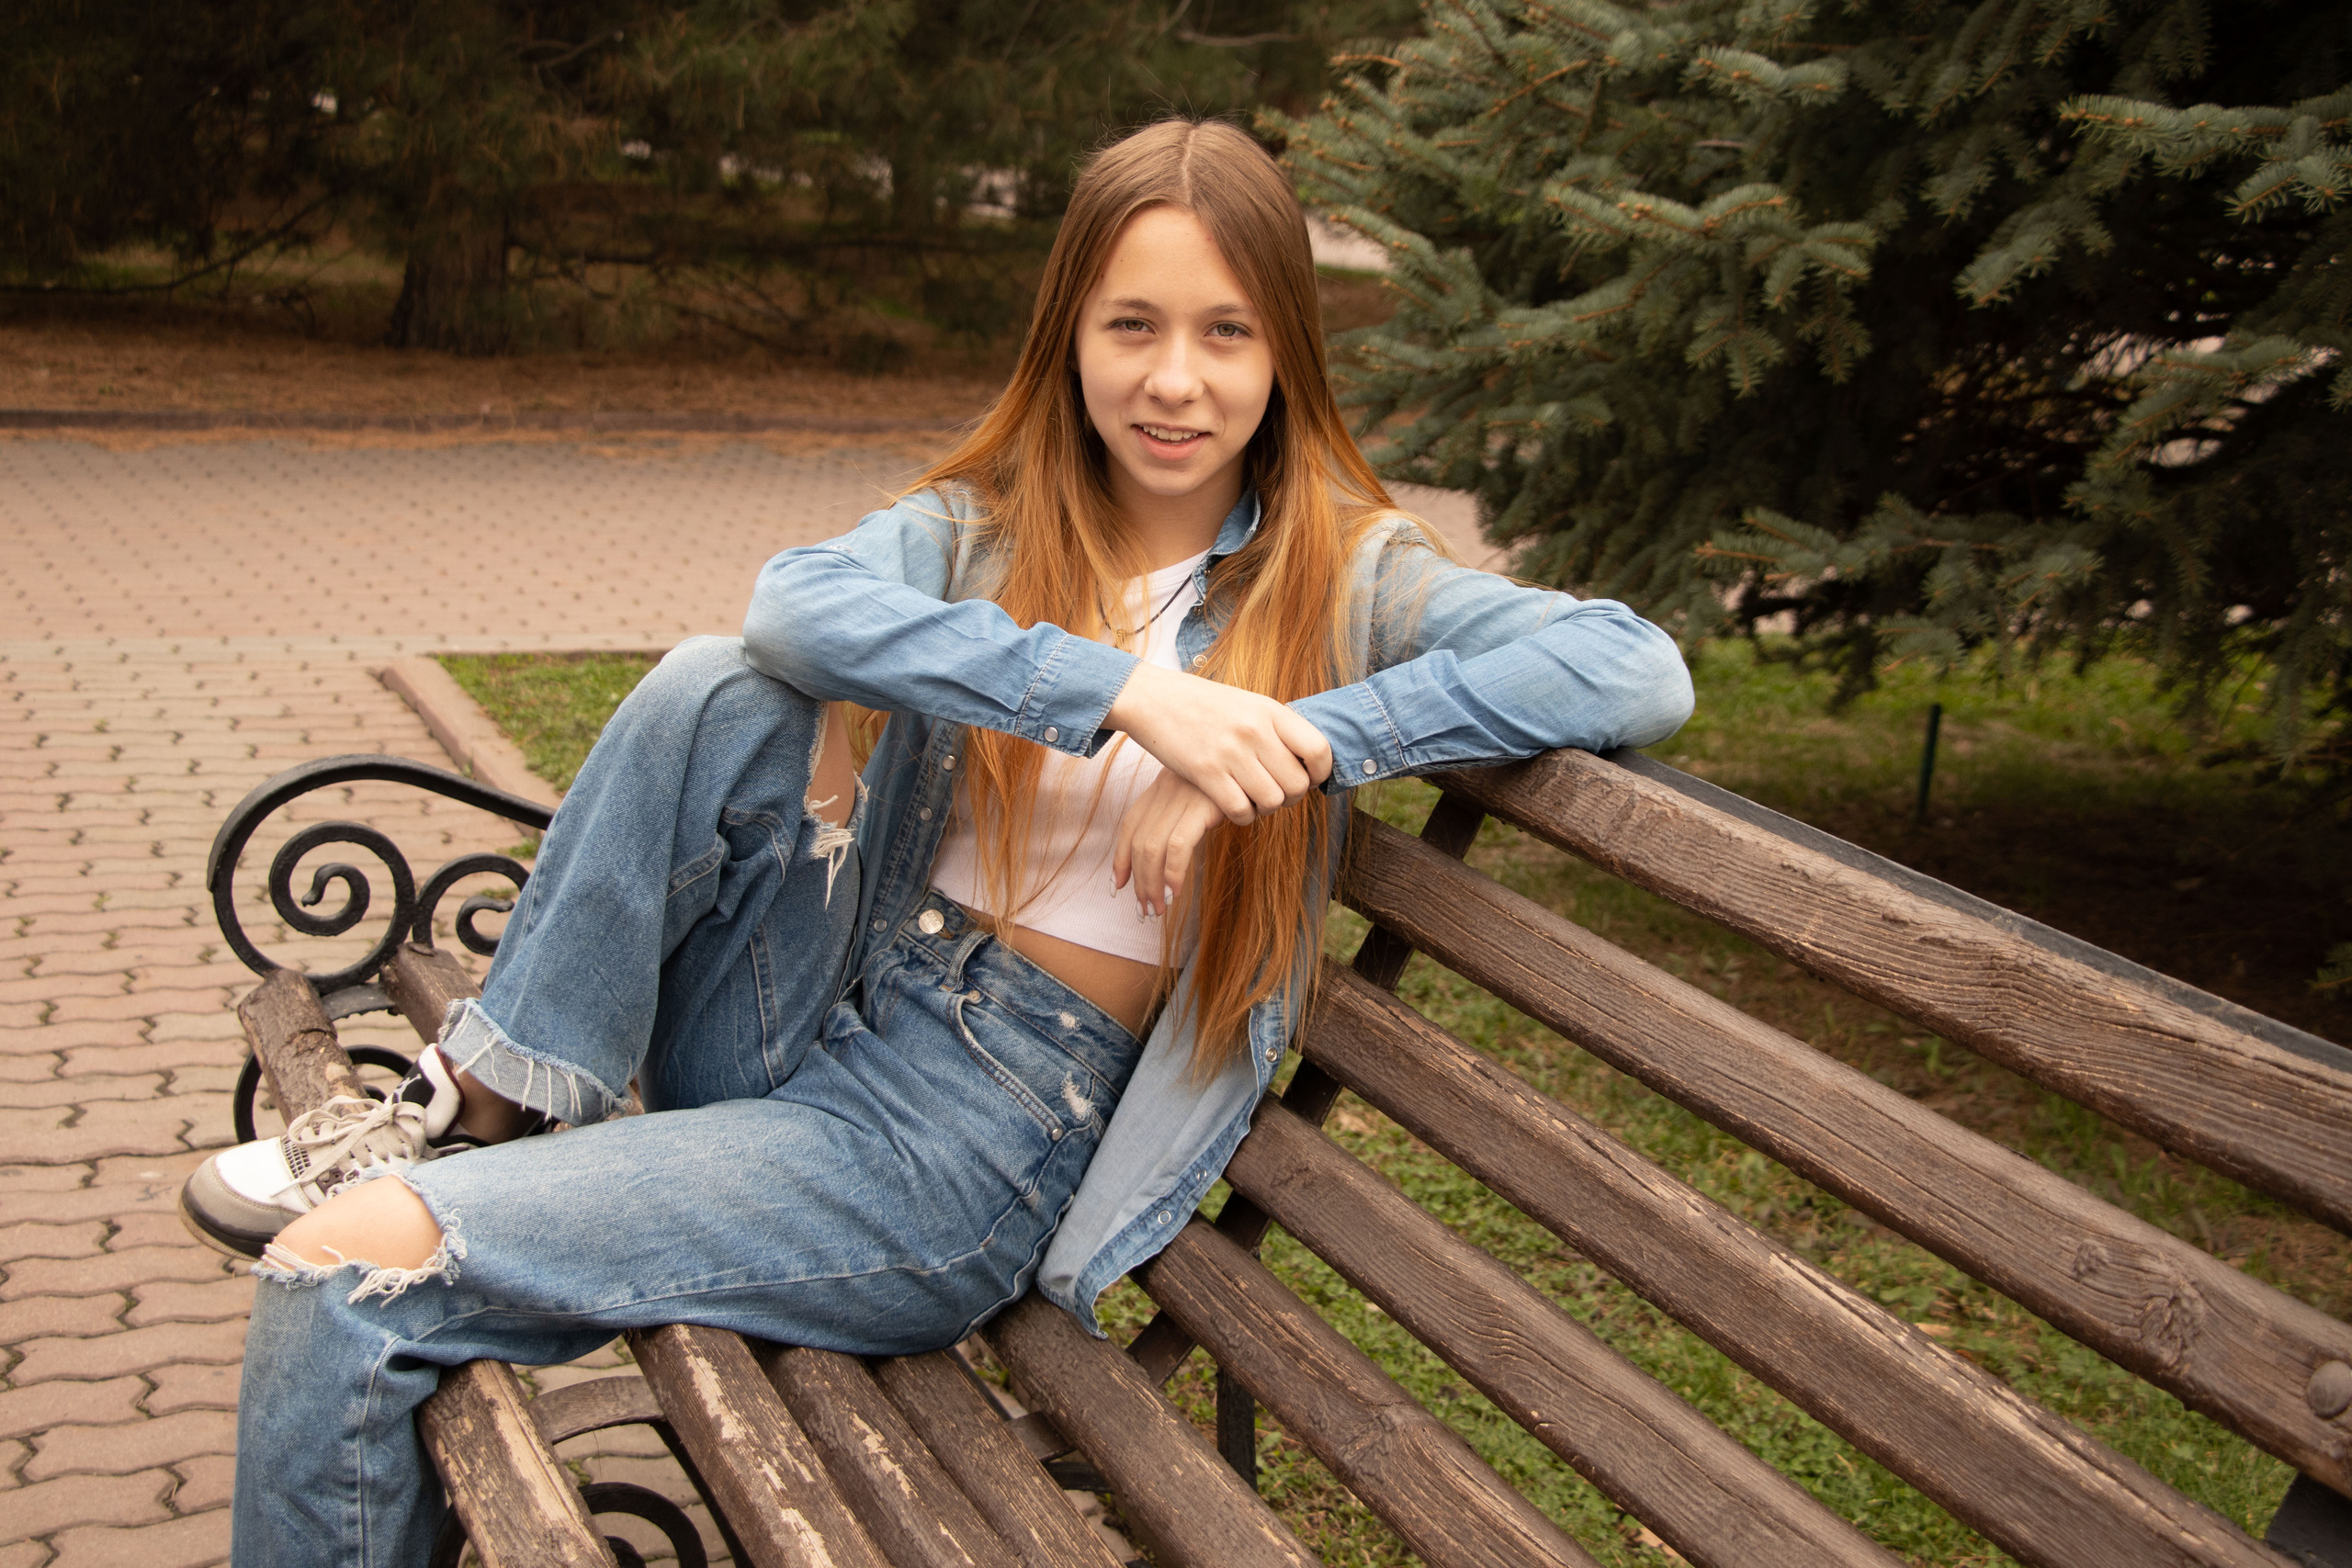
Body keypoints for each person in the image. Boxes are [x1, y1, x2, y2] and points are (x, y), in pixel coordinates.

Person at [182, 118, 1694, 1566]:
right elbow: (797, 605)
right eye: (1133, 327)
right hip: (818, 1005)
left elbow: (1637, 665)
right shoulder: (993, 527)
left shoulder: (1352, 575)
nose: (1176, 380)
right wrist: (1128, 698)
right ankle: (491, 1099)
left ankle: (470, 1135)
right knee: (722, 675)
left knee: (344, 1278)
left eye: (1226, 333)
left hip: (964, 1134)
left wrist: (1295, 741)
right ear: (1069, 337)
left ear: (1288, 347)